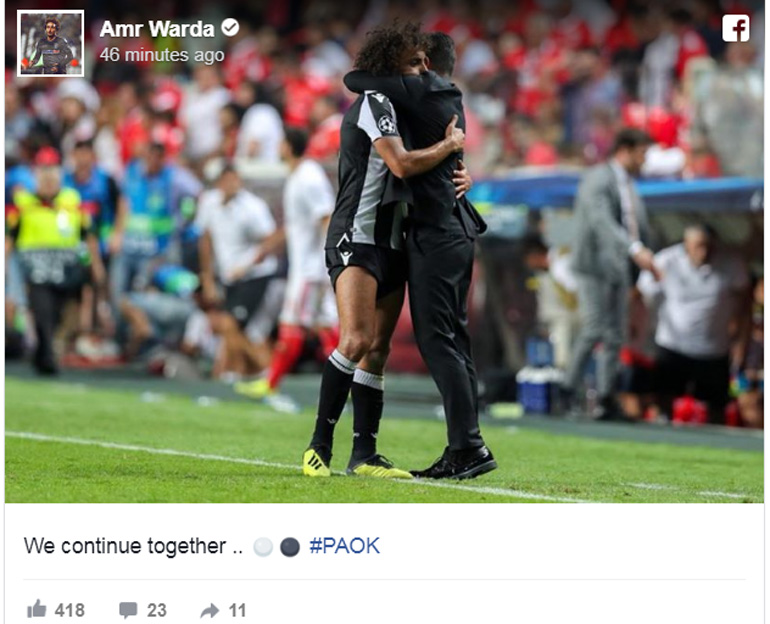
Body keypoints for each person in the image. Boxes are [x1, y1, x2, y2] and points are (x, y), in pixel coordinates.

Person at [302, 21, 469, 480]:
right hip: (356, 235)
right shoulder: (375, 102)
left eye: (424, 62)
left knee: (377, 350)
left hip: (394, 239)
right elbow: (400, 163)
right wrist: (450, 145)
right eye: (413, 62)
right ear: (390, 64)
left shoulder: (404, 109)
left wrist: (461, 172)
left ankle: (365, 455)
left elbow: (430, 167)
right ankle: (318, 447)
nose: (422, 70)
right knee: (356, 340)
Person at [343, 31, 496, 479]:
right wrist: (458, 164)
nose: (408, 71)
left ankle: (468, 447)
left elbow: (355, 79)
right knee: (454, 342)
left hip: (438, 233)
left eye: (412, 63)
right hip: (451, 230)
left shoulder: (423, 91)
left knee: (438, 341)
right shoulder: (448, 99)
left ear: (426, 63)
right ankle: (468, 445)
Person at [562, 127, 659, 421]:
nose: (645, 160)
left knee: (615, 335)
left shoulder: (627, 183)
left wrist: (640, 256)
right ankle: (567, 390)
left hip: (618, 267)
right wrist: (634, 249)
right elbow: (601, 221)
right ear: (625, 150)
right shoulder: (598, 178)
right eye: (642, 153)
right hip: (594, 266)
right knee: (594, 328)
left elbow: (635, 224)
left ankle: (606, 397)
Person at [235, 128, 338, 399]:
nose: (278, 147)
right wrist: (264, 250)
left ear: (289, 147)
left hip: (309, 269)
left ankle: (271, 382)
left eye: (281, 143)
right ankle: (348, 382)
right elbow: (296, 227)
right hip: (310, 267)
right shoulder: (298, 175)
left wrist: (330, 261)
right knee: (325, 325)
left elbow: (326, 217)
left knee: (291, 323)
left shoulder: (308, 177)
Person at [637, 224, 750, 424]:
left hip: (713, 350)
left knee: (717, 408)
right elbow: (641, 293)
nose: (704, 252)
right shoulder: (667, 261)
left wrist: (740, 342)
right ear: (686, 244)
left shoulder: (731, 265)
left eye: (708, 246)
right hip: (672, 346)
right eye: (699, 246)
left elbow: (745, 304)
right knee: (662, 402)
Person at [5, 148, 105, 374]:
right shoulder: (23, 202)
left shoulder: (72, 200)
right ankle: (47, 353)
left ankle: (47, 351)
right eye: (43, 172)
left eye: (52, 172)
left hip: (67, 270)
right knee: (42, 312)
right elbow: (10, 236)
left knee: (65, 313)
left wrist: (95, 265)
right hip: (36, 270)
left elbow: (88, 234)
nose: (48, 179)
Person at [196, 165, 282, 373]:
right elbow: (205, 240)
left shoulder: (253, 207)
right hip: (229, 276)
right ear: (219, 183)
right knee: (237, 330)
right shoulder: (209, 203)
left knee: (230, 324)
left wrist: (247, 264)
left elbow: (271, 239)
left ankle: (267, 370)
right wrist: (207, 278)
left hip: (255, 275)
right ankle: (240, 371)